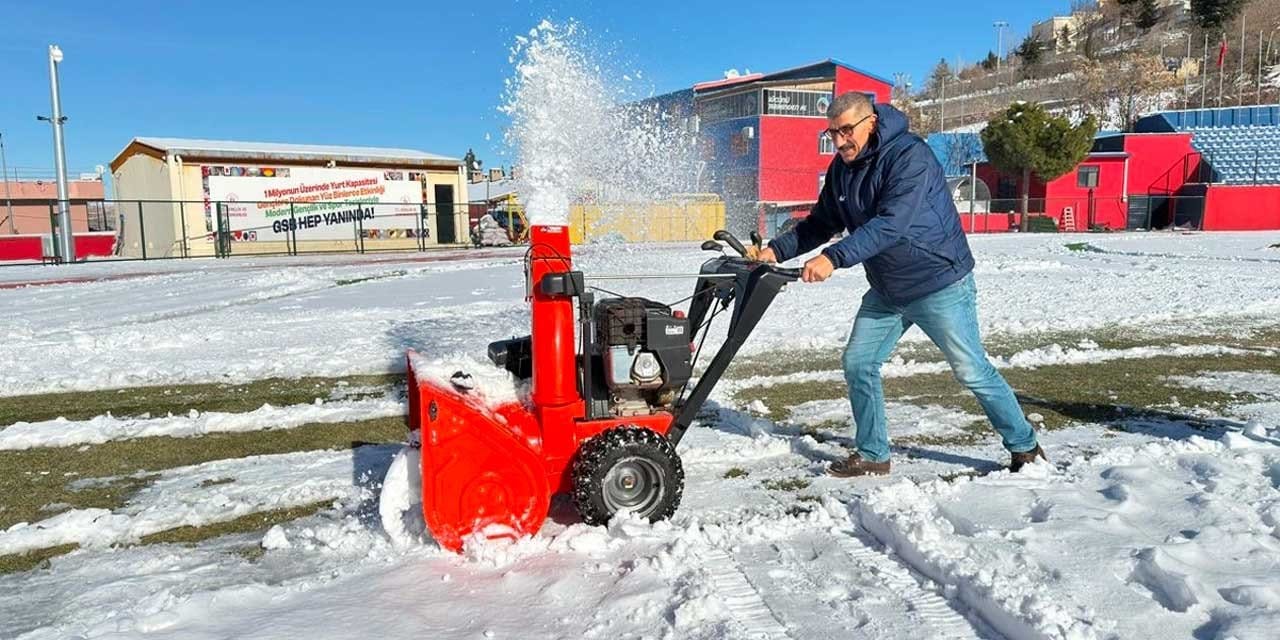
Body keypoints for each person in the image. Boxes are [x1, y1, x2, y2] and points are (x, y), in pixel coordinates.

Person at [749, 92, 1045, 477]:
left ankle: (1025, 447)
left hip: (938, 281)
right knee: (859, 362)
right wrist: (774, 251)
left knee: (971, 370)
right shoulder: (842, 169)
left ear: (871, 122)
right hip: (888, 288)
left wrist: (834, 258)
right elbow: (821, 223)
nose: (839, 141)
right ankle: (874, 455)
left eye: (845, 130)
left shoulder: (910, 157)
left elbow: (891, 224)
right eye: (832, 133)